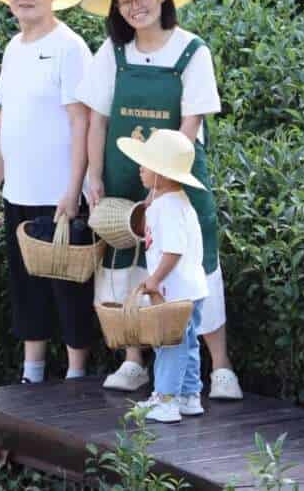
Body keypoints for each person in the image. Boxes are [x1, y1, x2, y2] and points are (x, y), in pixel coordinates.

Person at [77, 0, 242, 400]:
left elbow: (191, 123)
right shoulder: (111, 53)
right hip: (121, 175)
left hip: (177, 179)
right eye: (125, 1)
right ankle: (134, 361)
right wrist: (93, 176)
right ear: (116, 8)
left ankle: (220, 367)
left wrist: (163, 181)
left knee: (194, 265)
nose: (136, 7)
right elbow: (97, 120)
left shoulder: (192, 50)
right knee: (127, 266)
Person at [0, 0, 94, 384]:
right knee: (26, 286)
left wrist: (73, 188)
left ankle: (78, 375)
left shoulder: (70, 47)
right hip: (18, 191)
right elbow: (5, 118)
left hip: (58, 192)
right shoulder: (13, 46)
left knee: (68, 289)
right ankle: (33, 371)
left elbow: (81, 120)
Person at [117, 129, 208, 423]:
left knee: (169, 345)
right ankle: (189, 395)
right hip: (191, 290)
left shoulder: (168, 207)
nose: (140, 167)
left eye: (146, 163)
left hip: (176, 291)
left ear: (162, 173)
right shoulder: (172, 199)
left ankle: (166, 399)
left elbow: (173, 250)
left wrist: (154, 279)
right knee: (188, 343)